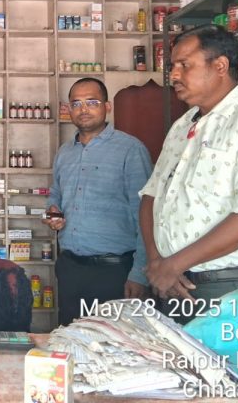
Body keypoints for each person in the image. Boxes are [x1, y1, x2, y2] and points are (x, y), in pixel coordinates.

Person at [140, 25, 238, 309]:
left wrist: (173, 265)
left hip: (229, 288)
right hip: (172, 282)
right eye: (172, 67)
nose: (173, 75)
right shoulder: (183, 125)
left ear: (220, 66)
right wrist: (158, 263)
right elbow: (151, 196)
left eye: (184, 65)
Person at [43, 77, 152, 326]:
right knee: (71, 338)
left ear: (107, 106)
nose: (83, 109)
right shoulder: (64, 153)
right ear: (68, 109)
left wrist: (139, 274)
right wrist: (52, 212)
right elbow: (55, 194)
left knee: (116, 343)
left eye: (92, 102)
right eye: (76, 103)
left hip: (115, 271)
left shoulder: (130, 149)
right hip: (71, 268)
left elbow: (146, 214)